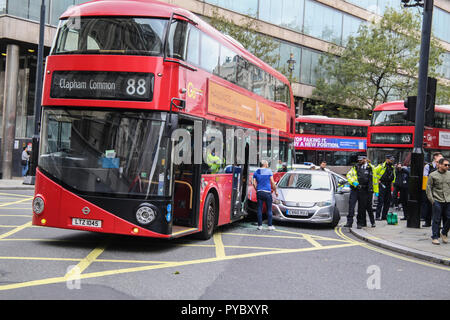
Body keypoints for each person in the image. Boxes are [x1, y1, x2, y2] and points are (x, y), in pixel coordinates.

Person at [344, 155, 378, 228]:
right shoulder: (355, 167)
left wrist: (376, 190)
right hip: (355, 189)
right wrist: (354, 183)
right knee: (351, 206)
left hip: (364, 190)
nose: (359, 161)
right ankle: (349, 222)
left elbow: (374, 180)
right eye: (358, 160)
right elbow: (349, 175)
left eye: (361, 160)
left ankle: (360, 223)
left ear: (365, 159)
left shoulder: (371, 168)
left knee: (361, 208)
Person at [426, 158, 450, 245]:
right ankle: (435, 237)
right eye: (445, 165)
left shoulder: (449, 174)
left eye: (448, 165)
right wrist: (432, 201)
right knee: (436, 219)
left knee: (448, 218)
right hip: (437, 200)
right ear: (439, 165)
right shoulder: (432, 175)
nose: (447, 166)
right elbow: (428, 189)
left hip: (448, 200)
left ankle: (444, 233)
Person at [252, 160, 278, 231]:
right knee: (269, 209)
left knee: (259, 209)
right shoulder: (269, 171)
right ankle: (270, 226)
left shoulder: (256, 172)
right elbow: (272, 182)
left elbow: (254, 183)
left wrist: (257, 190)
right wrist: (276, 191)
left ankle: (260, 226)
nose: (268, 165)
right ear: (265, 164)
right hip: (267, 192)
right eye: (267, 164)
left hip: (259, 192)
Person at [422, 152, 443, 227]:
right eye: (440, 156)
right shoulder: (428, 166)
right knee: (428, 206)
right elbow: (425, 177)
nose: (442, 157)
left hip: (439, 189)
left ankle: (438, 223)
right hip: (430, 188)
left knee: (439, 207)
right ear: (435, 157)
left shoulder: (443, 166)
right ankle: (427, 222)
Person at [374, 154, 396, 221]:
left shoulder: (392, 167)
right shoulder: (381, 166)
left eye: (392, 159)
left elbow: (394, 176)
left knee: (387, 202)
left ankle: (384, 216)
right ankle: (377, 216)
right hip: (382, 184)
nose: (392, 160)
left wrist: (392, 185)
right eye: (390, 159)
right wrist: (377, 180)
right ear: (387, 159)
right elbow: (374, 172)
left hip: (388, 185)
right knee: (380, 201)